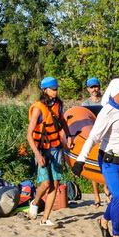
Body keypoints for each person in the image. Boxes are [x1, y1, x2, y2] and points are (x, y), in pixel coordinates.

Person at [71, 79, 119, 237]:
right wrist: (80, 161)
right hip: (109, 161)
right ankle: (117, 234)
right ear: (116, 93)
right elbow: (93, 137)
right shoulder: (107, 113)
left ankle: (104, 221)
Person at [27, 77, 73, 226]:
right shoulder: (38, 108)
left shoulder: (59, 104)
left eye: (56, 88)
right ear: (44, 90)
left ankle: (45, 219)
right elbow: (29, 135)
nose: (55, 91)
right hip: (41, 149)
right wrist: (37, 155)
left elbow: (62, 121)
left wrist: (69, 135)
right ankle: (35, 203)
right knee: (46, 183)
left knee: (55, 183)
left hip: (55, 147)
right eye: (53, 89)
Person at [80, 77, 108, 207]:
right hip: (92, 136)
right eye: (91, 87)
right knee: (93, 167)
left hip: (105, 135)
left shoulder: (106, 101)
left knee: (106, 164)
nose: (94, 89)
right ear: (88, 89)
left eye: (96, 86)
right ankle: (97, 197)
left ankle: (106, 189)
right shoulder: (85, 104)